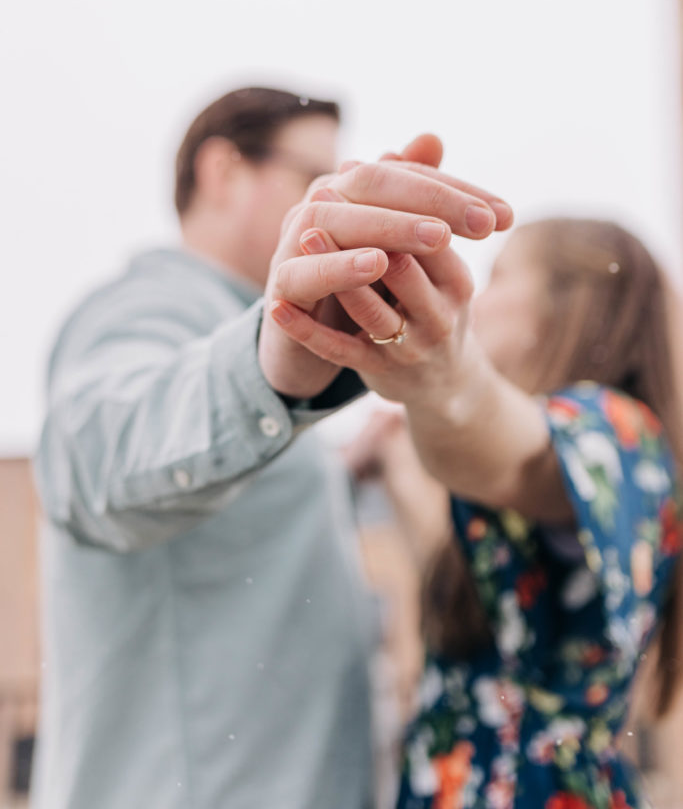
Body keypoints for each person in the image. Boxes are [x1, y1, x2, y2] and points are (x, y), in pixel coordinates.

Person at [33, 90, 511, 809]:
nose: (325, 200)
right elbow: (87, 463)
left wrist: (342, 472)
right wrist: (269, 371)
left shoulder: (243, 340)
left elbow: (233, 548)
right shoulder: (142, 312)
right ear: (223, 171)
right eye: (308, 175)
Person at [268, 195, 683, 808]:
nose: (477, 302)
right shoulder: (573, 463)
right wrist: (395, 460)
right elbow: (483, 584)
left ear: (570, 300)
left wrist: (436, 372)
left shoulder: (618, 432)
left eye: (500, 276)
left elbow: (503, 447)